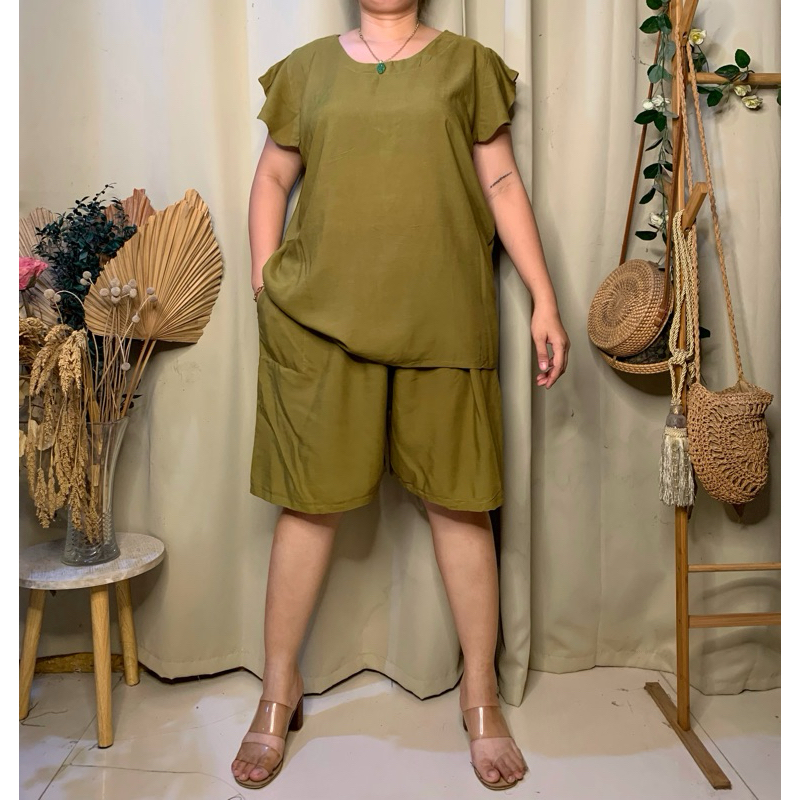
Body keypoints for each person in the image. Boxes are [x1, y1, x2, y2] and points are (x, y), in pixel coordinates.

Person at [232, 0, 570, 791]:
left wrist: (544, 297)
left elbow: (501, 181)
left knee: (460, 503)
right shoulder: (308, 71)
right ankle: (278, 690)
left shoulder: (467, 65)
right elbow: (273, 177)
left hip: (443, 317)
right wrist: (264, 282)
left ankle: (480, 696)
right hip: (319, 322)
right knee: (308, 504)